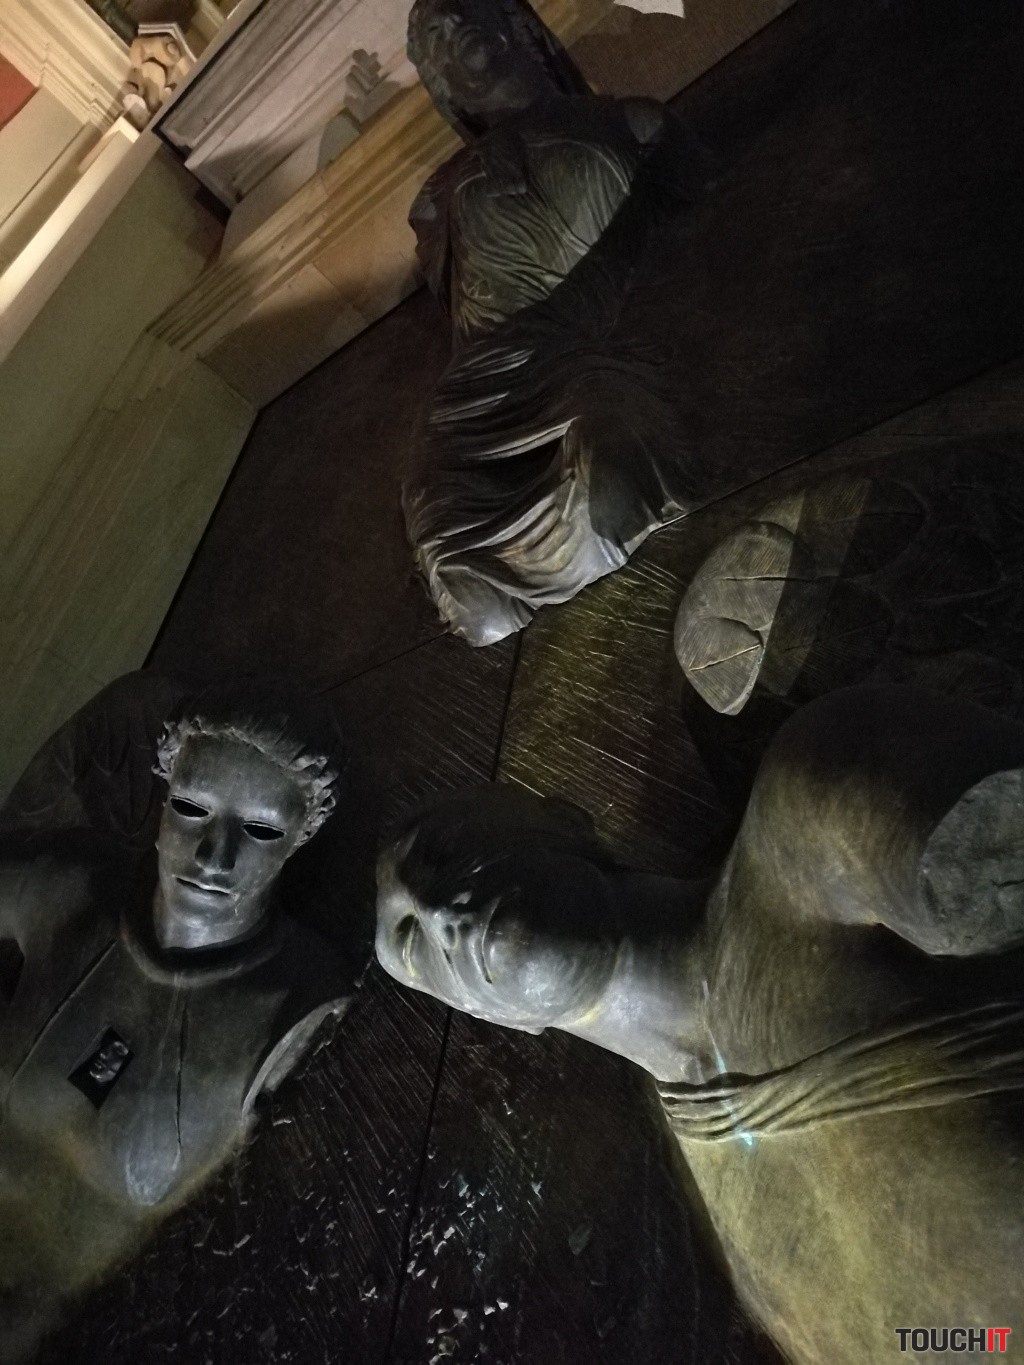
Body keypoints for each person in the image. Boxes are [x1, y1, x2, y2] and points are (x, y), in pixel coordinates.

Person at [376, 685, 1024, 1363]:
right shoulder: (715, 1232)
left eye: (443, 850)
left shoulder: (806, 812)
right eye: (413, 946)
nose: (437, 910)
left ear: (565, 816)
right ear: (496, 1018)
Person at [0, 673, 360, 1359]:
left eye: (260, 829)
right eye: (192, 809)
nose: (213, 856)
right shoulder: (71, 885)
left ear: (301, 835)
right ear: (163, 793)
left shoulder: (297, 1008)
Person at [404, 0, 699, 645]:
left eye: (460, 12)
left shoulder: (636, 124)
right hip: (467, 403)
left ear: (516, 27)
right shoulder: (435, 199)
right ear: (440, 86)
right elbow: (454, 301)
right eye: (433, 37)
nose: (452, 31)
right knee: (478, 614)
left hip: (574, 360)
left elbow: (700, 214)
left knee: (619, 481)